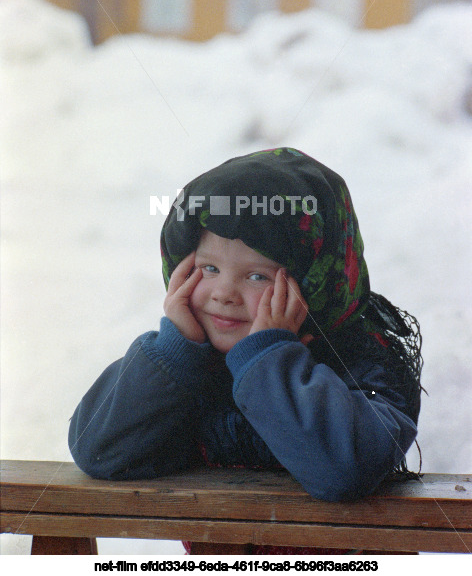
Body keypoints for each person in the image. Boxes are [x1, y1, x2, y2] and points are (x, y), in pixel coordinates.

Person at [69, 147, 423, 552]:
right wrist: (175, 353)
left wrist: (268, 359)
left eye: (257, 276)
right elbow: (100, 451)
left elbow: (343, 470)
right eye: (209, 269)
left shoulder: (364, 366)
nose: (223, 294)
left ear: (314, 284)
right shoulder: (187, 369)